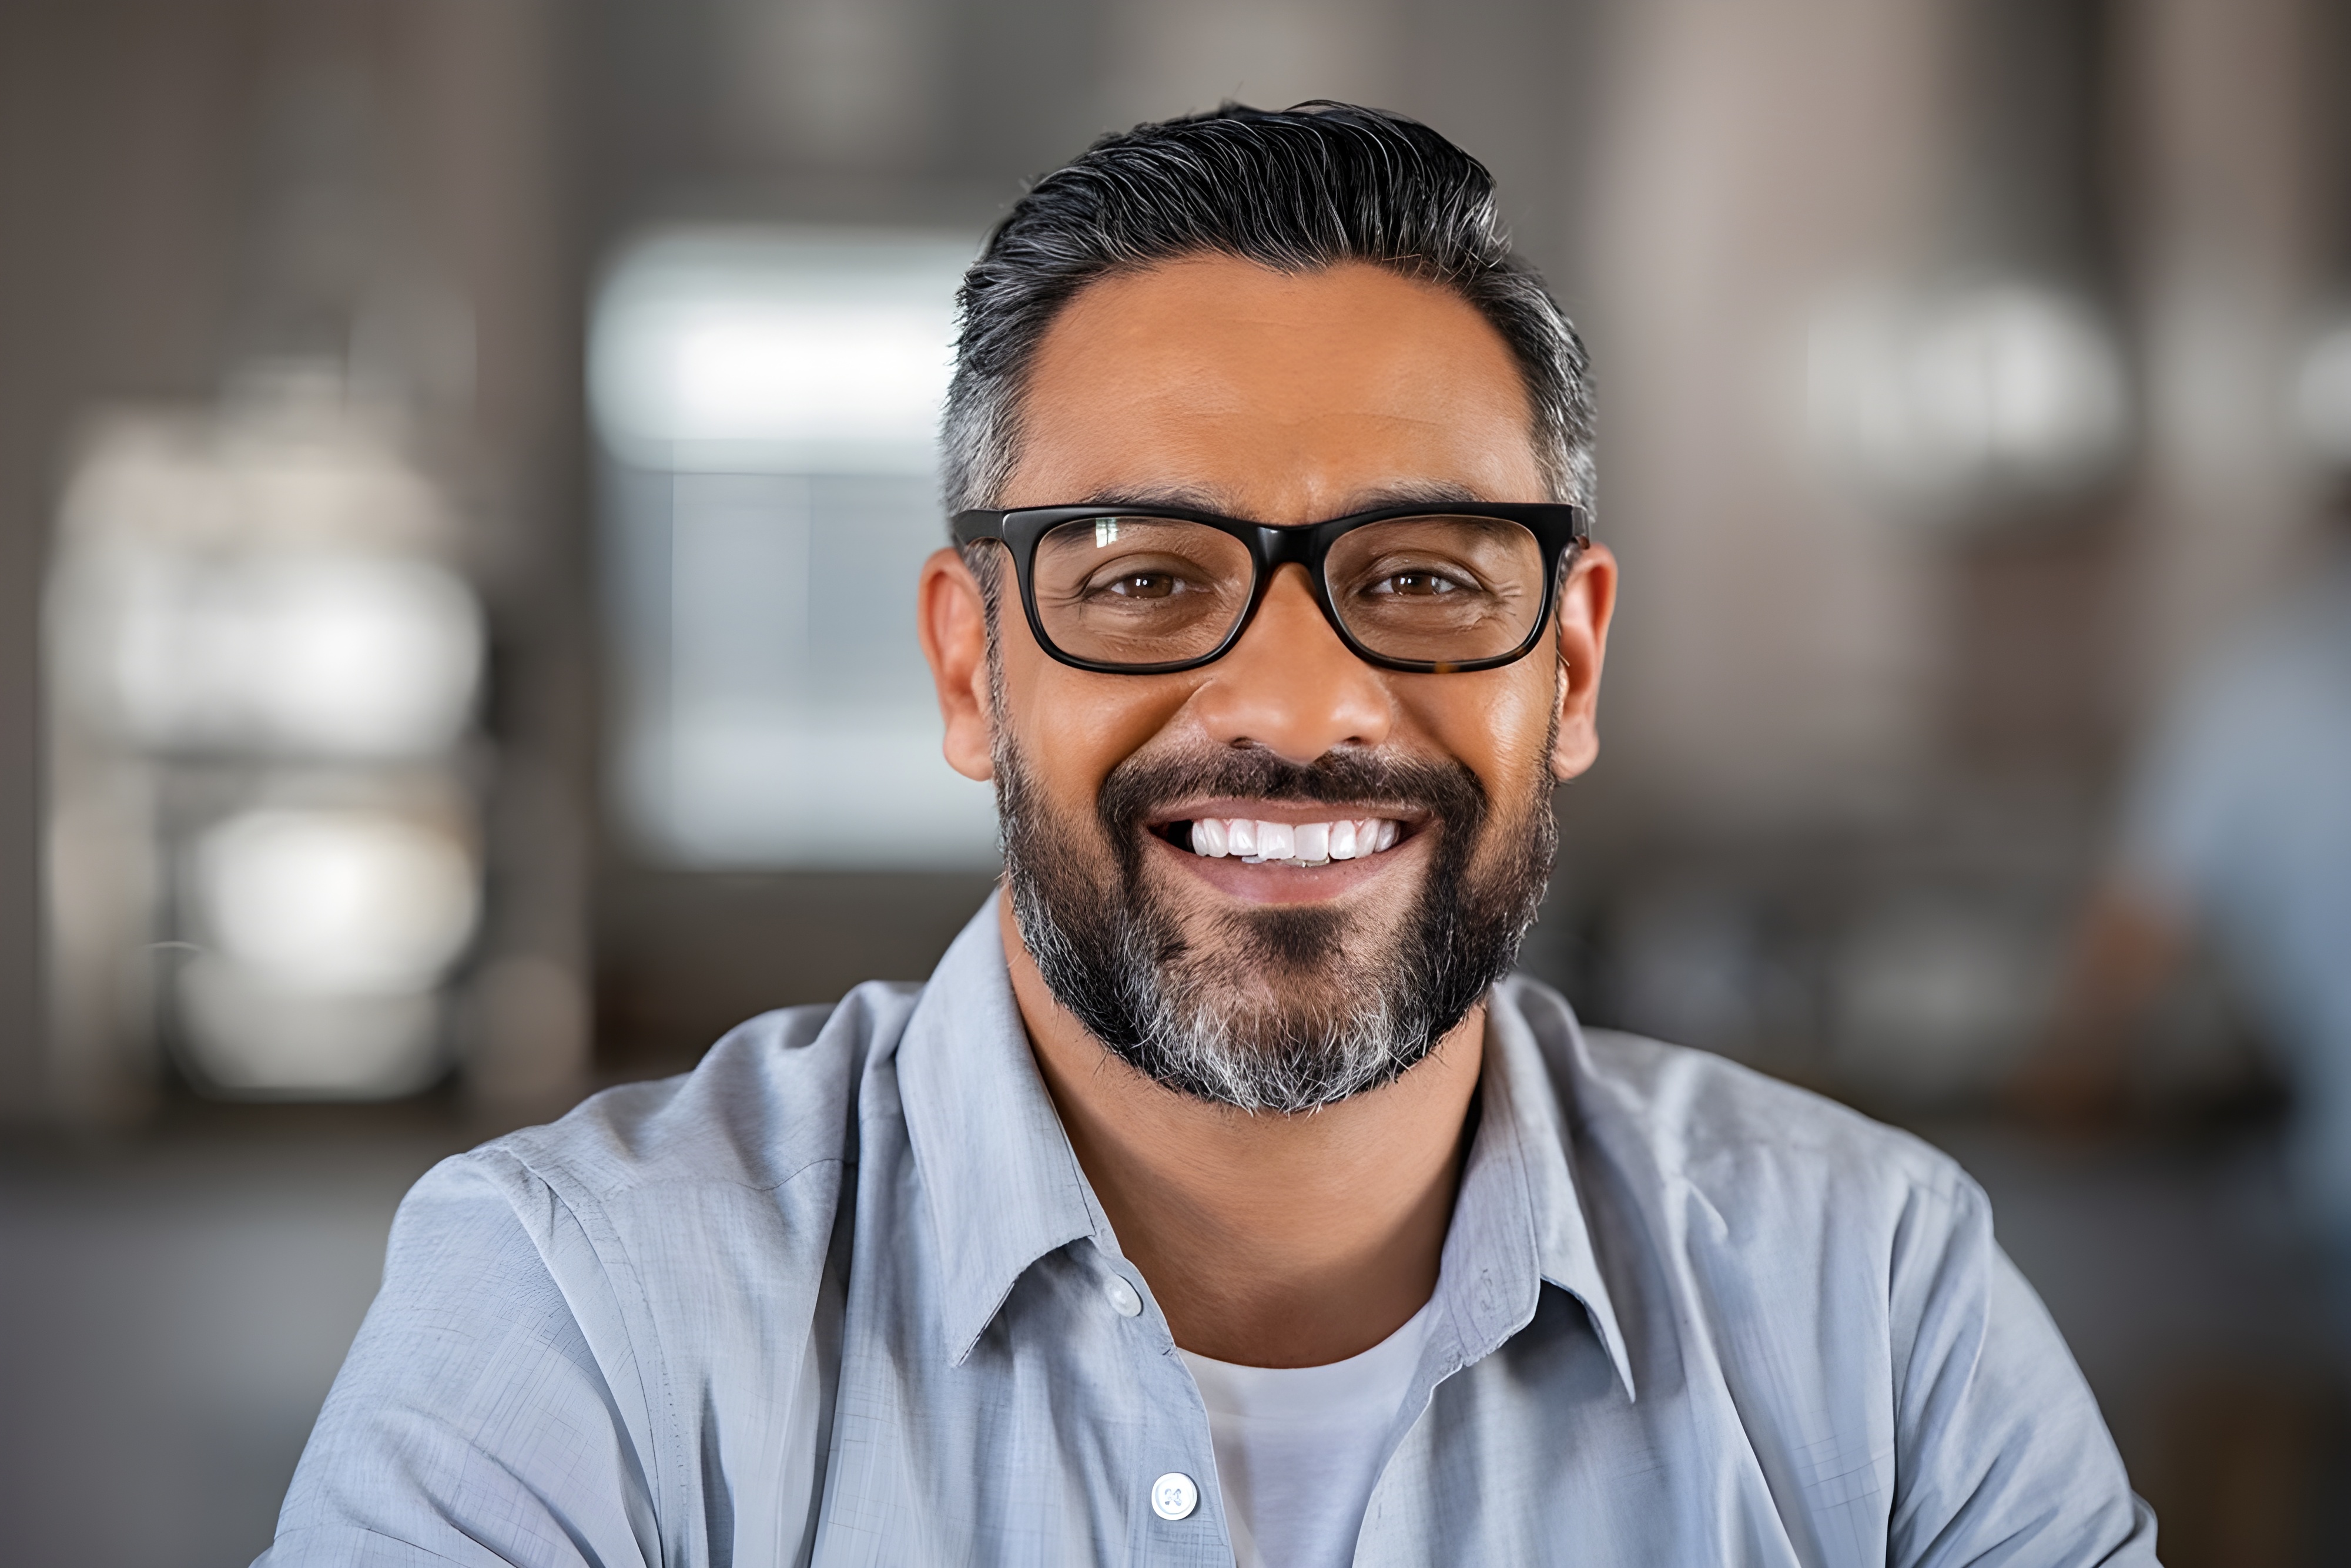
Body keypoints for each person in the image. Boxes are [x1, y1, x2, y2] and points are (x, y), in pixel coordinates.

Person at [259, 103, 2155, 1566]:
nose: (1298, 707)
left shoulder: (1881, 1309)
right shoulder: (582, 1314)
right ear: (970, 664)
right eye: (1150, 577)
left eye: (1418, 574)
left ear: (1568, 665)